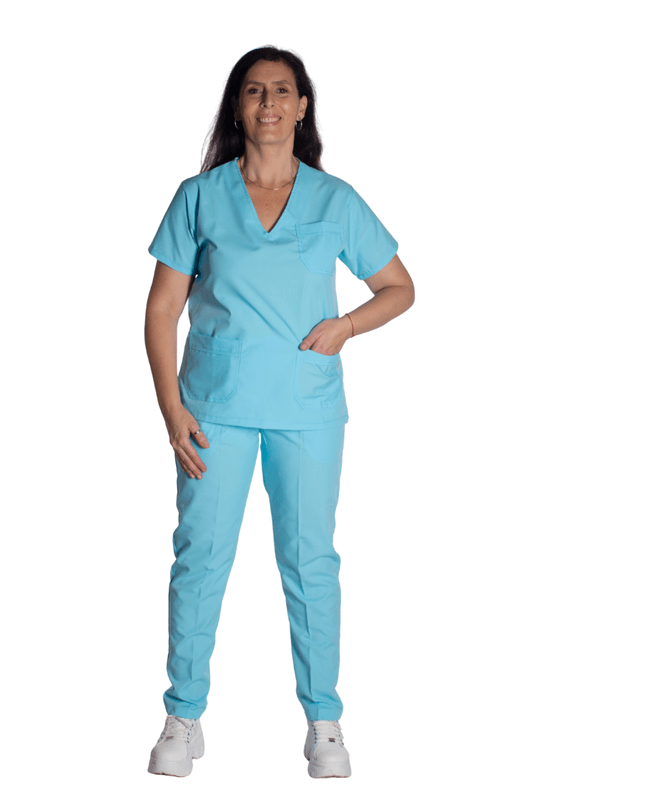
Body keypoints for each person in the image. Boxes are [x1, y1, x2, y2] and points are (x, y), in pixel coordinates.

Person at [143, 45, 414, 779]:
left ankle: (324, 722)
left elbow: (399, 287)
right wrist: (171, 410)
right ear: (238, 107)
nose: (268, 102)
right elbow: (162, 309)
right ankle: (183, 715)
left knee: (310, 561)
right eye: (254, 90)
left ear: (302, 107)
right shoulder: (199, 197)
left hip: (307, 408)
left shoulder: (335, 201)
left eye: (282, 90)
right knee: (200, 559)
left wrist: (346, 326)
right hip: (214, 410)